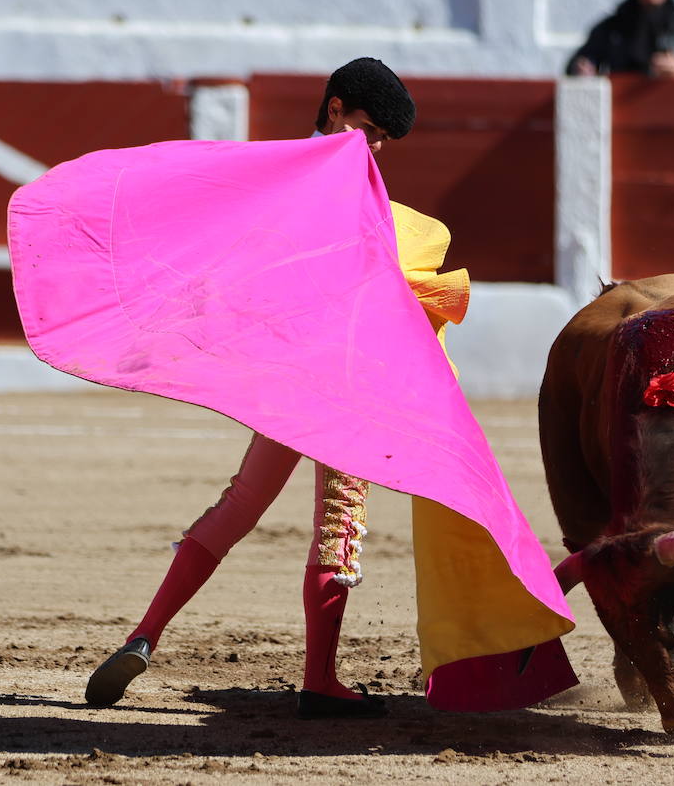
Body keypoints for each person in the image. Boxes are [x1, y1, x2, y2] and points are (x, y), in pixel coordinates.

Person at [83, 59, 421, 720]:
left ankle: (143, 634)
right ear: (334, 107)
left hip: (288, 378)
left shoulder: (284, 173)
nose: (374, 146)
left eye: (383, 138)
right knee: (340, 524)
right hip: (339, 378)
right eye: (368, 127)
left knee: (237, 507)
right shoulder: (341, 182)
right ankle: (320, 680)